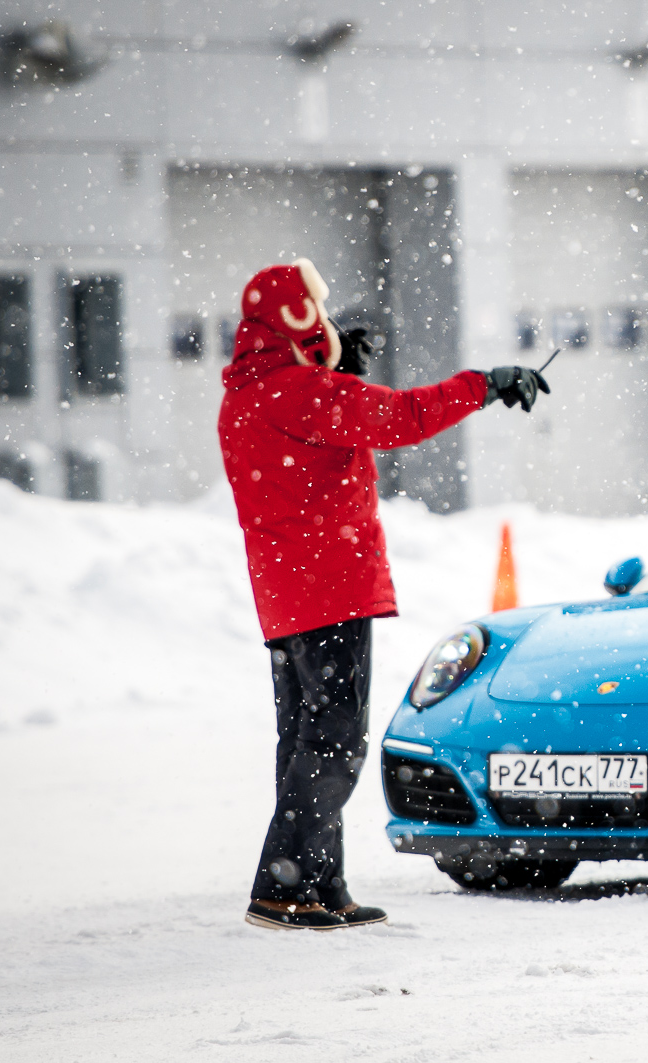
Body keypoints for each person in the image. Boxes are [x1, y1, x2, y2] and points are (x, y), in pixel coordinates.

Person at [219, 258, 550, 930]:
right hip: (329, 588)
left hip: (286, 597)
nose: (325, 316)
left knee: (304, 739)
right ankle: (283, 884)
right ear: (294, 317)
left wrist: (333, 368)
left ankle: (318, 883)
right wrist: (484, 385)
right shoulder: (297, 390)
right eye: (316, 307)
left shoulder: (249, 393)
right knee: (336, 740)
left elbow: (312, 447)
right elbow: (399, 418)